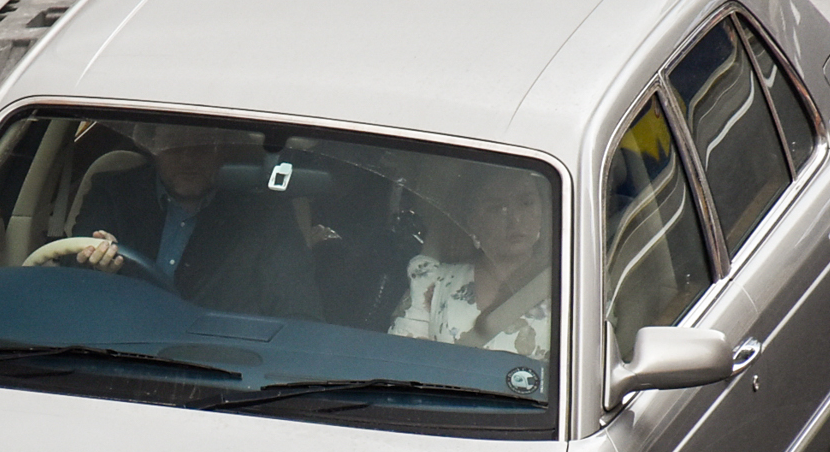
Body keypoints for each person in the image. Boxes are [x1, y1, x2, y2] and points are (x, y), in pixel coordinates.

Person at [37, 124, 322, 318]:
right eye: (175, 146)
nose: (187, 160)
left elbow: (299, 313)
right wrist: (95, 260)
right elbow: (72, 267)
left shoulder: (264, 216)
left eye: (200, 147)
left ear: (223, 150)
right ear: (154, 149)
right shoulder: (113, 192)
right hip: (116, 350)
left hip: (219, 368)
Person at [390, 164, 553, 360]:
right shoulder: (431, 284)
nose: (515, 219)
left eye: (526, 203)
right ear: (472, 220)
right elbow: (400, 362)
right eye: (496, 208)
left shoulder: (568, 290)